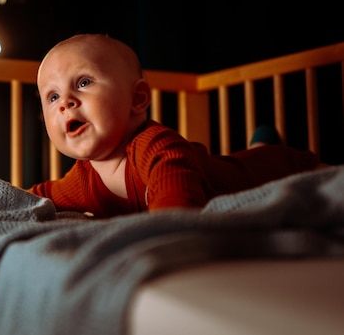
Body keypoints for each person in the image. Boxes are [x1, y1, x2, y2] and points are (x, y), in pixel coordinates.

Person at [27, 33, 322, 218]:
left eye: (84, 82)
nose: (65, 101)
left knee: (261, 164)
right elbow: (36, 197)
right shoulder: (84, 179)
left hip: (284, 168)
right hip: (232, 167)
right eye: (52, 97)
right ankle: (262, 142)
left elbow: (176, 212)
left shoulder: (156, 146)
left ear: (138, 98)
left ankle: (266, 146)